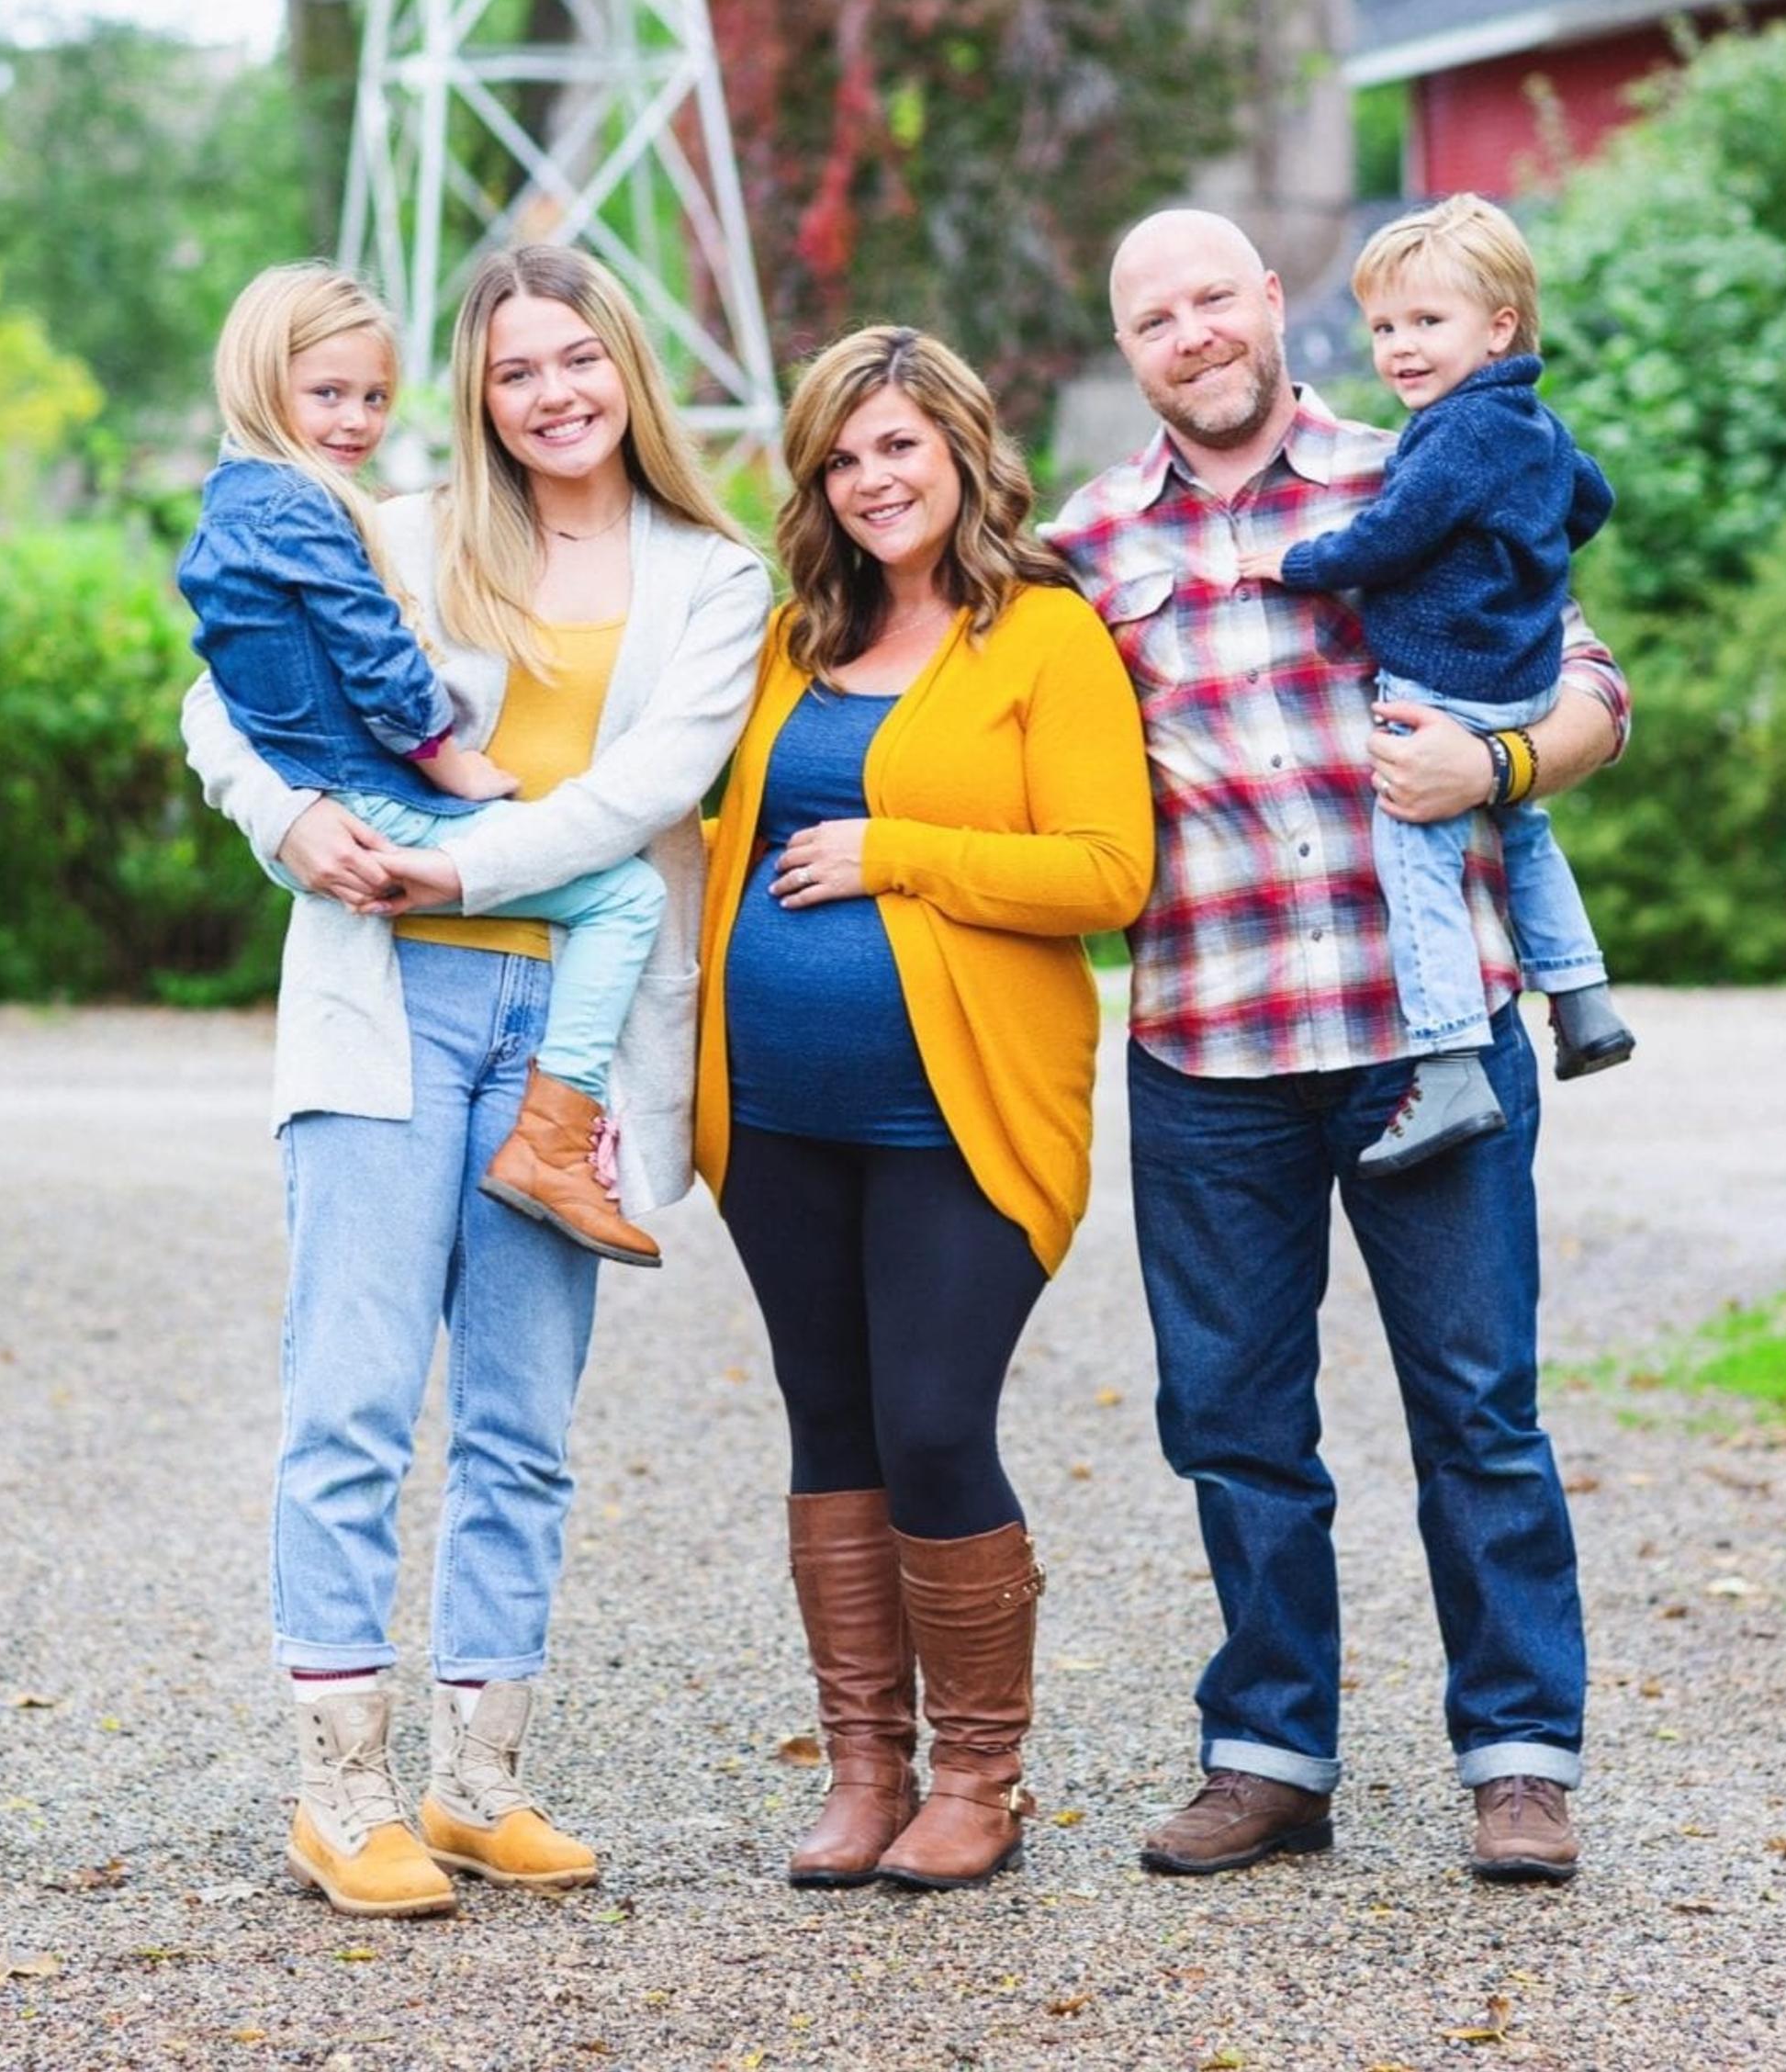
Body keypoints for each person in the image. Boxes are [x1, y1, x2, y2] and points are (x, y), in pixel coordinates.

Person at [179, 244, 770, 1920]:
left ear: (627, 370)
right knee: (352, 1404)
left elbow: (656, 782)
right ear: (479, 391)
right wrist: (290, 821)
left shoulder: (714, 576)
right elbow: (222, 700)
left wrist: (468, 864)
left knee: (520, 1428)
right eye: (516, 369)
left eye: (578, 359)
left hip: (567, 1038)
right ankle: (339, 1786)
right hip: (391, 1006)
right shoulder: (397, 525)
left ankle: (476, 1779)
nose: (552, 393)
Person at [1048, 208, 1631, 1887]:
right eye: (1155, 314)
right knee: (1232, 1419)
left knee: (1478, 1409)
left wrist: (1498, 774)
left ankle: (1518, 1758)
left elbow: (1592, 685)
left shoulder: (1428, 460)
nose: (1192, 332)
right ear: (1131, 347)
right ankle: (1270, 1753)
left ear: (1271, 303)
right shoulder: (1087, 547)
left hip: (1419, 1035)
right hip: (1209, 1045)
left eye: (1213, 296)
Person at [696, 327, 1154, 1892]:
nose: (872, 479)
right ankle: (863, 1769)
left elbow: (1110, 872)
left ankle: (979, 1777)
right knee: (831, 1423)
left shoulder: (1041, 635)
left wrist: (899, 849)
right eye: (842, 455)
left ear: (961, 447)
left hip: (961, 1114)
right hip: (772, 1114)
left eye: (898, 445)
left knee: (937, 1420)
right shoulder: (792, 637)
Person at [177, 263, 668, 1266]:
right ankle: (557, 1142)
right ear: (260, 380)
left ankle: (553, 1137)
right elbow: (311, 671)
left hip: (453, 890)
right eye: (328, 394)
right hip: (384, 856)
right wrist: (431, 762)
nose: (356, 419)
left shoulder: (260, 501)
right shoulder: (337, 513)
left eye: (373, 397)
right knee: (623, 899)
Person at [1241, 195, 1634, 1177]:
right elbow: (1591, 498)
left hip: (1449, 677)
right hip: (1519, 674)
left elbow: (1393, 533)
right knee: (1525, 827)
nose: (1400, 349)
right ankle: (1584, 1000)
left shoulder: (1455, 434)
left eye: (1427, 323)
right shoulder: (1528, 420)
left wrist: (1297, 561)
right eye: (1383, 327)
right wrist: (1523, 561)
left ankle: (1452, 1058)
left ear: (1499, 326)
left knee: (1413, 854)